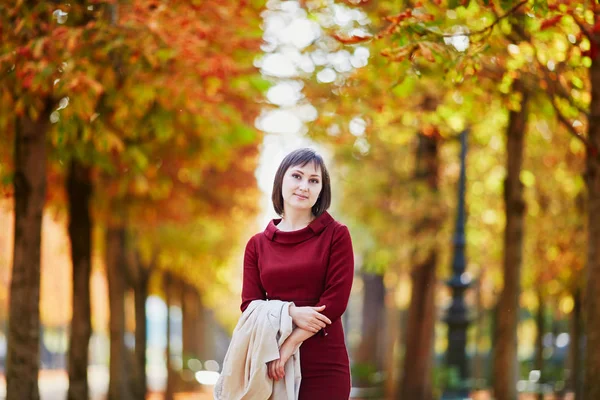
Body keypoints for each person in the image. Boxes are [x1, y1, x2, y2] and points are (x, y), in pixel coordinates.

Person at [241, 148, 355, 399]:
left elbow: (334, 302)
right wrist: (292, 313)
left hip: (324, 364)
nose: (304, 186)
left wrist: (291, 344)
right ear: (281, 180)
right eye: (297, 176)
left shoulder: (336, 235)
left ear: (321, 190)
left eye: (314, 181)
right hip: (271, 361)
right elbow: (250, 305)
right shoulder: (257, 245)